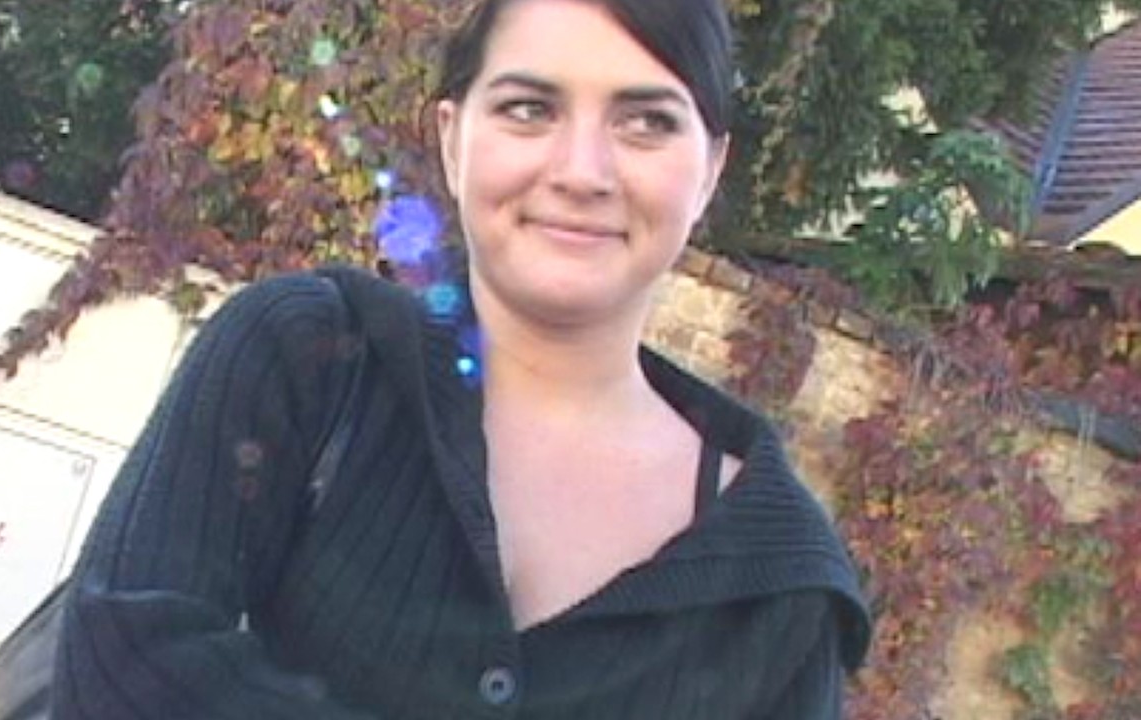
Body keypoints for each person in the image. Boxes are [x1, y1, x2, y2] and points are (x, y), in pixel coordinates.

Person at [52, 0, 871, 717]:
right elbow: (117, 672)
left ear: (711, 171)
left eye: (647, 122)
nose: (581, 171)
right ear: (452, 138)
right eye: (529, 109)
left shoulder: (782, 589)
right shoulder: (308, 359)